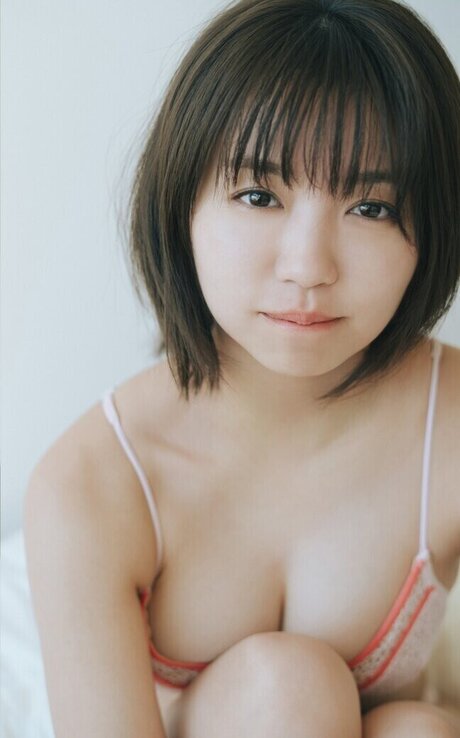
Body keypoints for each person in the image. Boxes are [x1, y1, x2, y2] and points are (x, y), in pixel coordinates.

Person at [23, 0, 460, 736]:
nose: (308, 267)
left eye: (372, 208)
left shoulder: (446, 422)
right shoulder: (93, 484)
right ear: (181, 207)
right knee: (288, 690)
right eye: (259, 196)